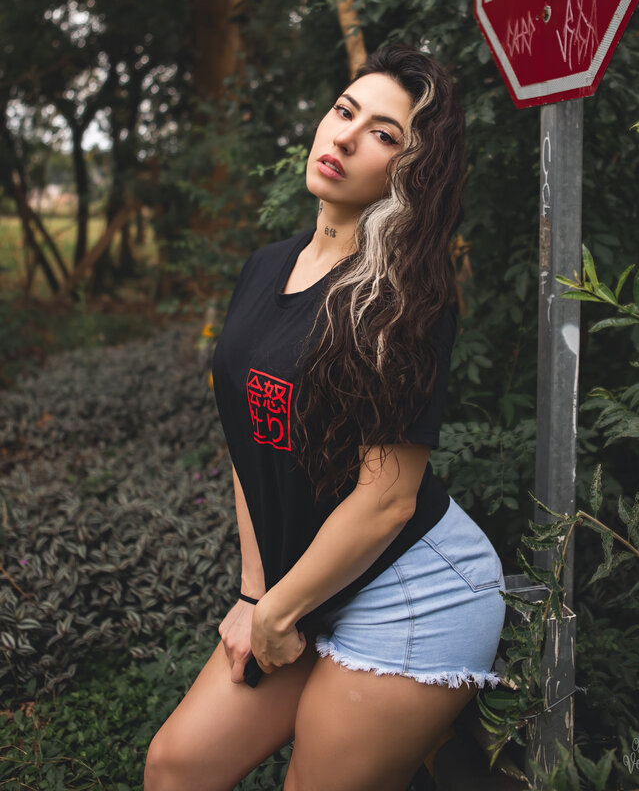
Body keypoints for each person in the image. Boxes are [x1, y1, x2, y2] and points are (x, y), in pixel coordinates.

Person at [144, 44, 506, 791]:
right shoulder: (264, 266)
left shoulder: (404, 301)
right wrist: (256, 594)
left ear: (410, 171)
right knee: (176, 768)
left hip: (411, 588)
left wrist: (279, 612)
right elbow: (250, 439)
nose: (343, 136)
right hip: (304, 584)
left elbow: (387, 500)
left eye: (382, 134)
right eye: (344, 111)